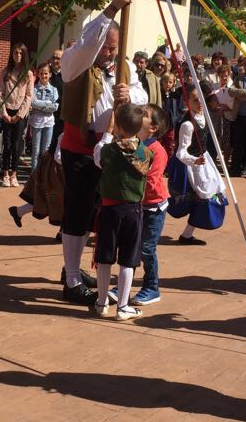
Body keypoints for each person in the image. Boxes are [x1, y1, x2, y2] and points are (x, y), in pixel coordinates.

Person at [58, 0, 146, 304]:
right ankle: (70, 280)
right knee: (77, 214)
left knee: (98, 215)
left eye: (115, 47)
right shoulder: (75, 63)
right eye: (107, 47)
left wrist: (130, 98)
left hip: (110, 153)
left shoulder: (124, 66)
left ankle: (73, 267)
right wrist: (111, 9)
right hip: (80, 149)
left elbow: (141, 98)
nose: (111, 52)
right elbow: (87, 44)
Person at [90, 103, 152, 320]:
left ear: (118, 126)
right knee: (128, 259)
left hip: (110, 209)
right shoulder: (146, 153)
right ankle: (123, 306)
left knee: (105, 257)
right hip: (133, 211)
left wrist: (108, 134)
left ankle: (101, 301)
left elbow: (98, 157)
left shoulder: (109, 151)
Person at [168, 82, 221, 245]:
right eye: (195, 100)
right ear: (187, 101)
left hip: (205, 162)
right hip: (192, 166)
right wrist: (195, 161)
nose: (200, 103)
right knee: (199, 199)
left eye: (201, 99)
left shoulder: (205, 116)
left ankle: (187, 234)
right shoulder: (187, 124)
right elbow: (181, 152)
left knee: (208, 196)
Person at [133, 104, 170, 305]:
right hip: (139, 204)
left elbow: (150, 181)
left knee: (147, 248)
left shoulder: (157, 150)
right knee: (133, 246)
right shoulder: (139, 145)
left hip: (154, 207)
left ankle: (151, 287)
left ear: (153, 127)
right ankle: (125, 283)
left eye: (144, 115)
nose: (138, 115)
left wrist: (128, 189)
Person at [0, 43, 34, 188]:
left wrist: (19, 115)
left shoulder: (28, 74)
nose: (17, 56)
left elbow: (29, 96)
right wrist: (4, 113)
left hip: (20, 113)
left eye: (20, 53)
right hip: (7, 111)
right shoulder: (5, 71)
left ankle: (14, 174)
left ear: (24, 55)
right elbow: (0, 93)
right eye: (15, 53)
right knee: (6, 144)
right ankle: (5, 174)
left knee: (16, 145)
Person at [29, 62, 59, 173]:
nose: (44, 76)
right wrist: (47, 104)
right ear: (38, 74)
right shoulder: (34, 89)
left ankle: (43, 175)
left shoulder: (54, 90)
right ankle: (34, 175)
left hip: (49, 122)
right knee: (36, 150)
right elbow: (33, 103)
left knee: (45, 150)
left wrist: (41, 106)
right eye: (41, 73)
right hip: (36, 121)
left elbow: (55, 106)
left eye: (46, 73)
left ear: (50, 74)